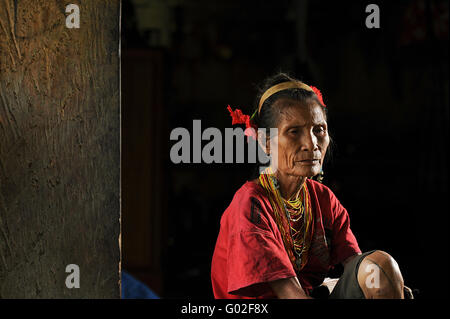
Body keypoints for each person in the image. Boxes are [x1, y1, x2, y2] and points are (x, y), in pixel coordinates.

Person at [211, 73, 413, 299]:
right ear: (266, 142)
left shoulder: (322, 198)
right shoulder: (251, 205)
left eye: (319, 130)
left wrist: (386, 283)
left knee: (380, 267)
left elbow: (358, 269)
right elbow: (291, 295)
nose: (311, 144)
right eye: (294, 132)